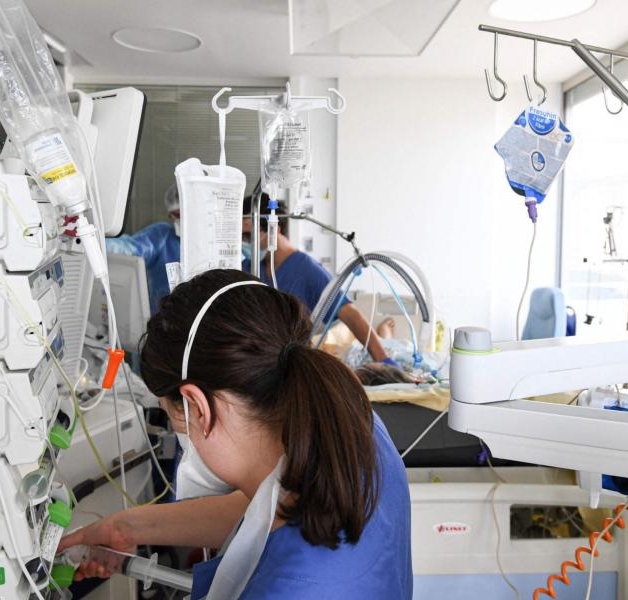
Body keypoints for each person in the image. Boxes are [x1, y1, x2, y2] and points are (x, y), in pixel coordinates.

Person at [58, 269, 412, 599]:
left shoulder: (290, 589)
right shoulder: (352, 427)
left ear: (197, 406)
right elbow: (265, 509)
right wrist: (127, 528)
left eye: (174, 421)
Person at [242, 195, 391, 363]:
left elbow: (351, 316)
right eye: (241, 237)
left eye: (248, 236)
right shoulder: (250, 266)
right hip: (257, 357)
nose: (243, 243)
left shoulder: (306, 269)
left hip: (291, 362)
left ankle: (385, 334)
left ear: (273, 230)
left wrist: (383, 359)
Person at [105, 184, 181, 314]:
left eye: (185, 213)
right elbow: (129, 248)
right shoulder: (162, 235)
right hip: (163, 320)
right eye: (176, 215)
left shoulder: (220, 240)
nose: (181, 219)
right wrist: (94, 242)